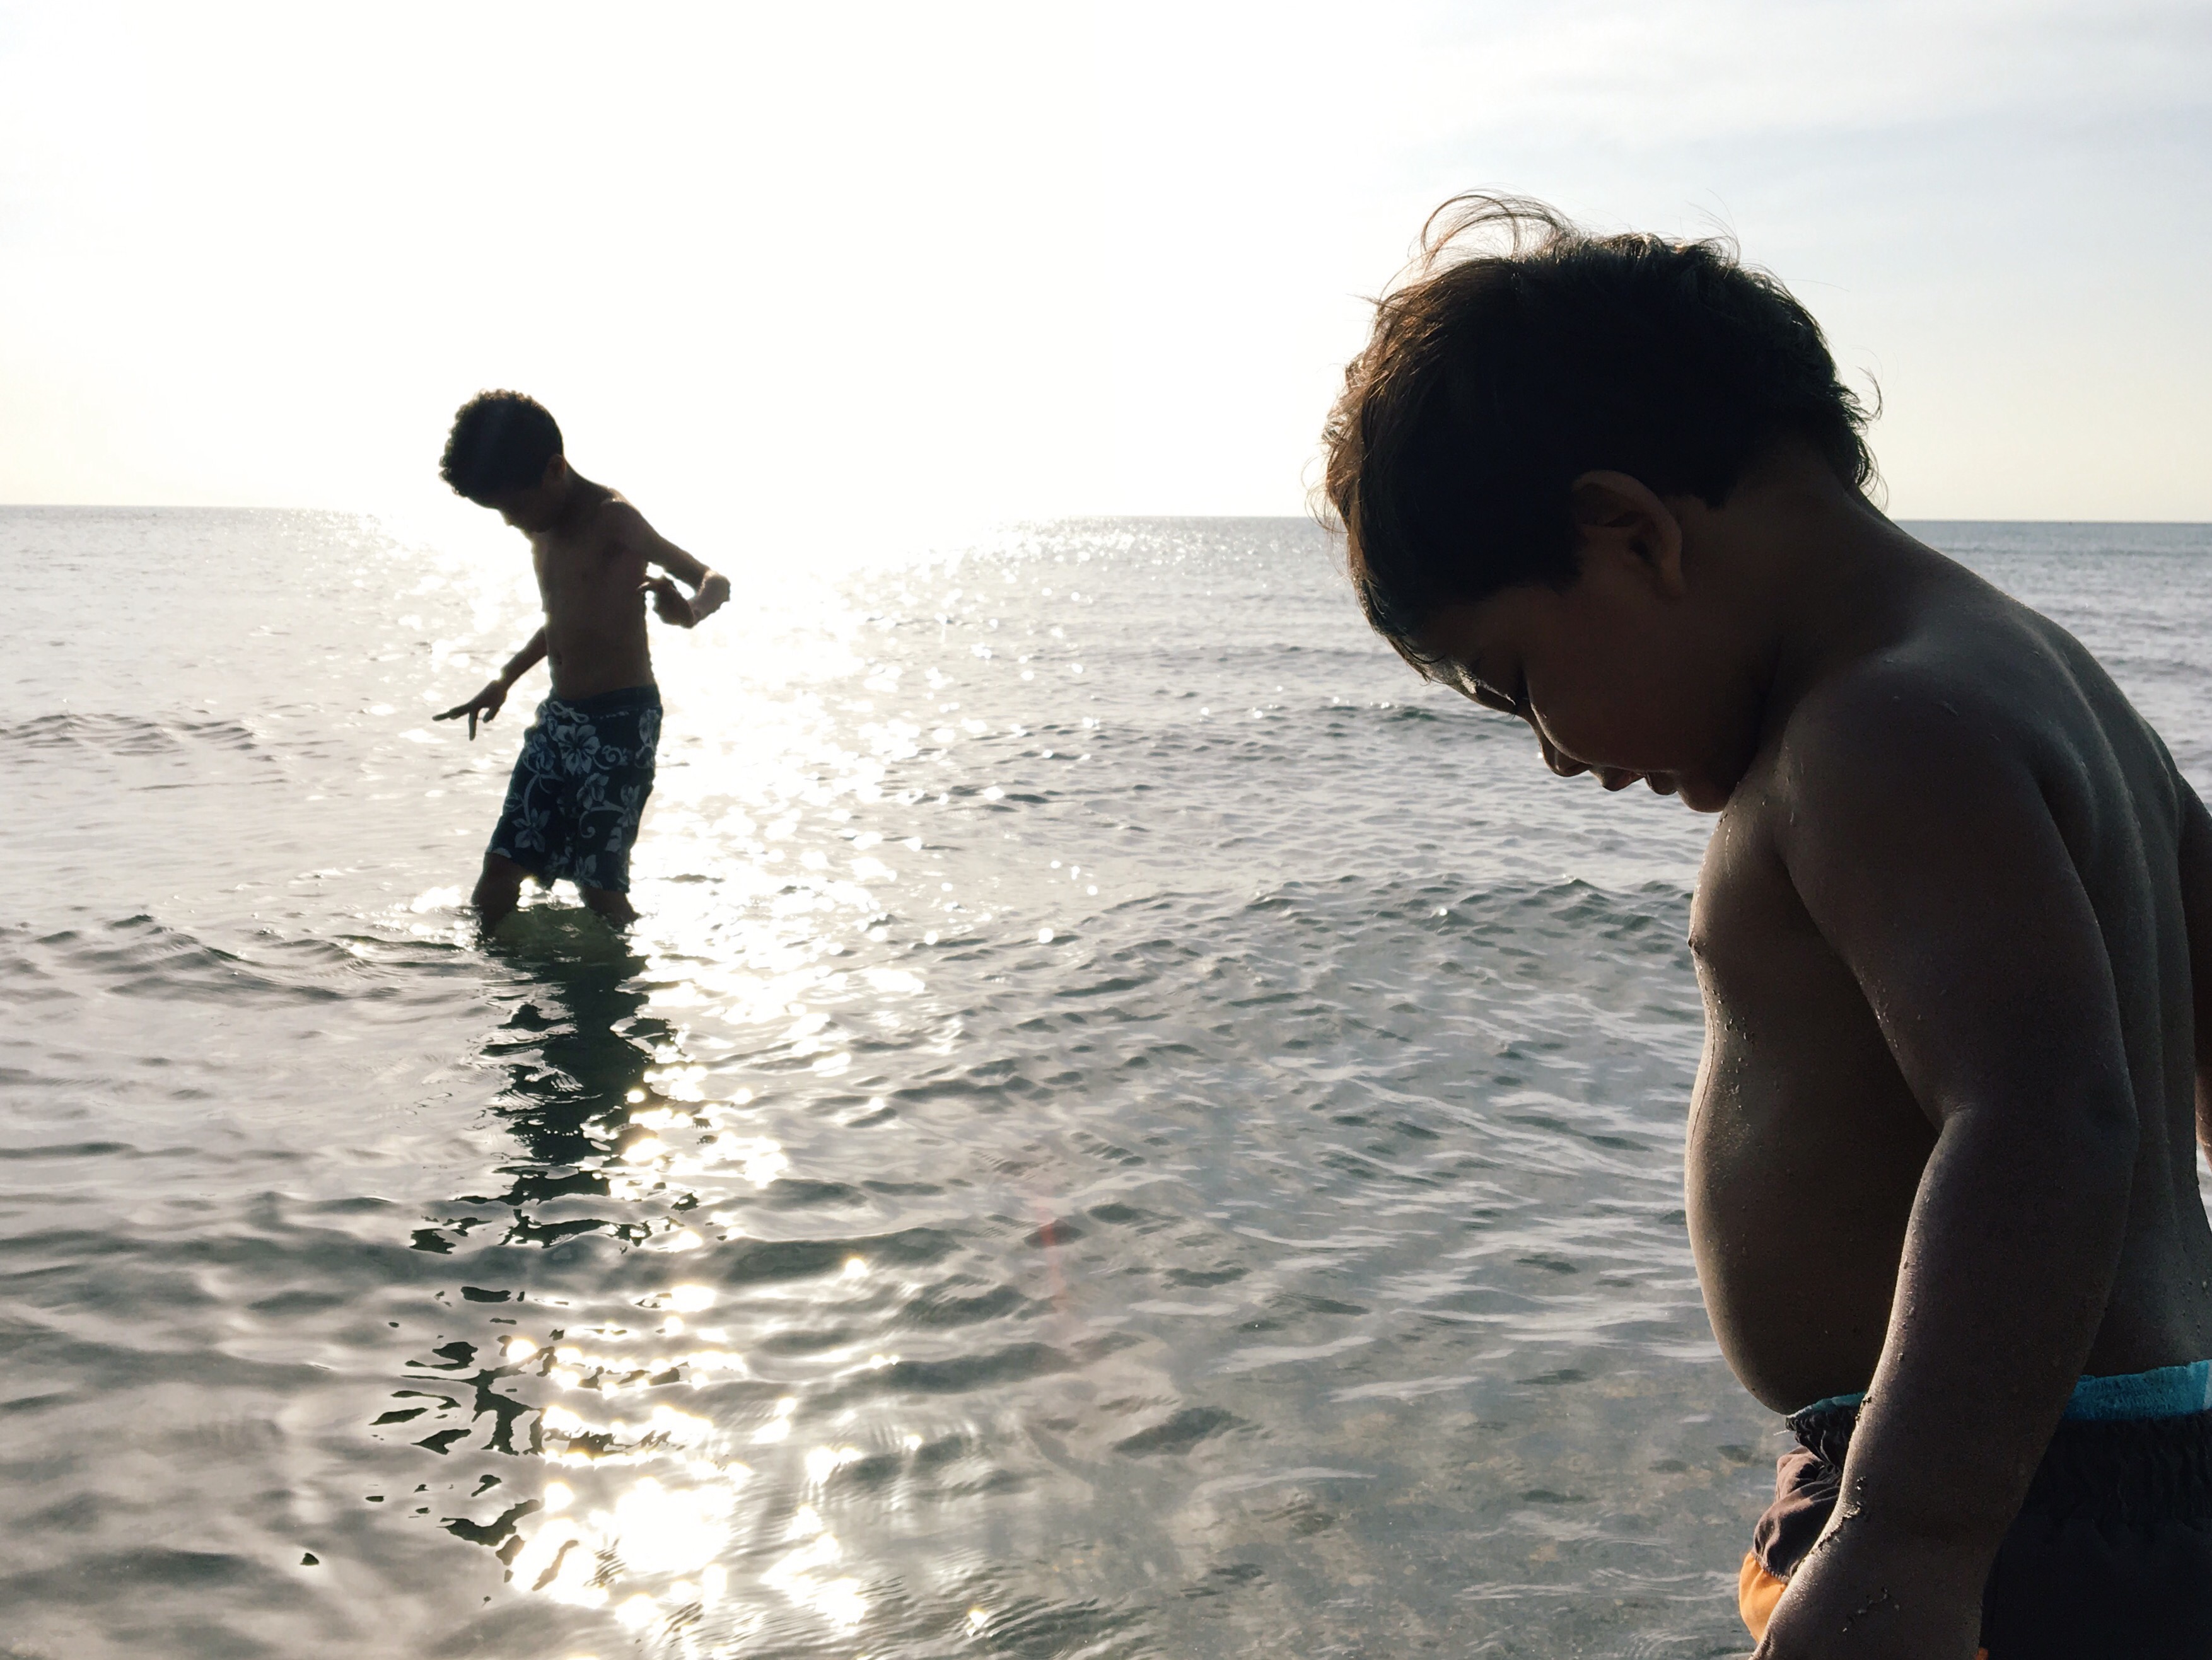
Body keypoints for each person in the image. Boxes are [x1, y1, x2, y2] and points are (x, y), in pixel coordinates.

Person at [1320, 196, 2212, 1658]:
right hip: (2102, 1474)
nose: (1552, 753)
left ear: (1629, 534)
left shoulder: (1869, 730)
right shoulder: (2048, 682)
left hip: (2012, 1515)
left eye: (1518, 678)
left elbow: (2046, 1111)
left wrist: (1906, 1538)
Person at [433, 390, 729, 928]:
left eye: (514, 506)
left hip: (621, 722)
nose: (511, 521)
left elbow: (714, 580)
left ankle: (625, 972)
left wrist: (687, 612)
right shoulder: (540, 526)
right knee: (500, 871)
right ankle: (480, 978)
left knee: (600, 889)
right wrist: (504, 680)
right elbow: (565, 619)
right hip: (559, 720)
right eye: (499, 511)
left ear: (554, 469)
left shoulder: (614, 520)